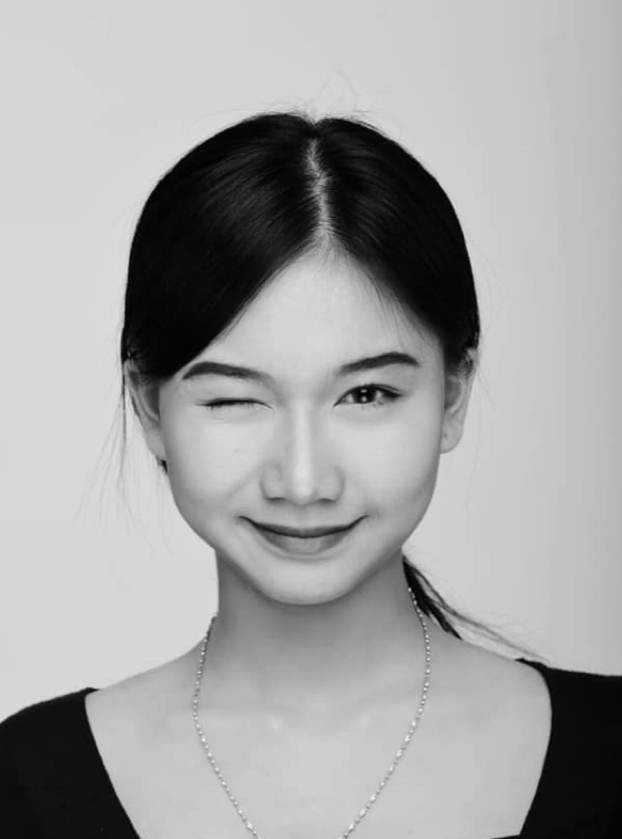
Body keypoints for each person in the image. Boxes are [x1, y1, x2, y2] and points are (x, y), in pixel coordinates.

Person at [1, 112, 620, 838]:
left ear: (453, 392)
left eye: (367, 394)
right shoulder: (26, 785)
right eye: (235, 398)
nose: (302, 480)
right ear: (151, 410)